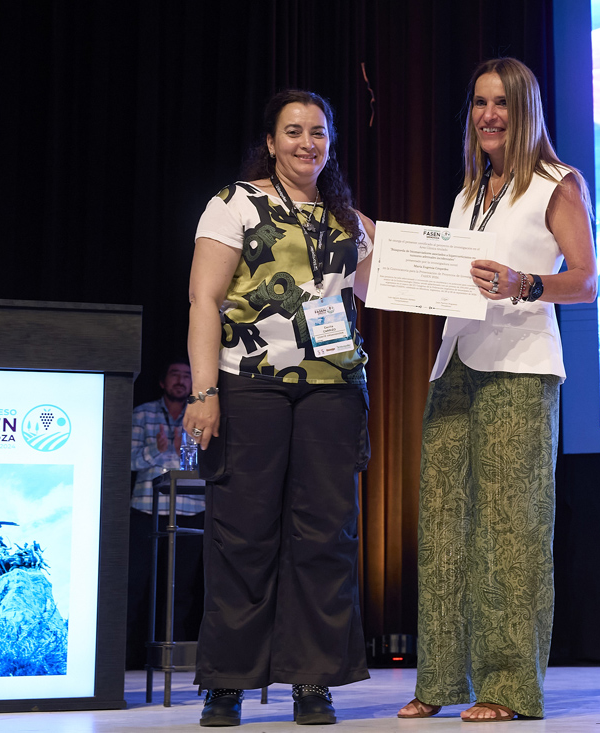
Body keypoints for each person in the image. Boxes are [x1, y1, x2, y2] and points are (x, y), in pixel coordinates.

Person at [397, 58, 597, 722]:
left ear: (526, 111)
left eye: (502, 103)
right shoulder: (468, 192)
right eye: (480, 103)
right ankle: (441, 678)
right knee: (444, 524)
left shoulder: (556, 183)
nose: (488, 115)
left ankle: (509, 685)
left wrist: (524, 283)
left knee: (511, 527)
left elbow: (586, 280)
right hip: (454, 362)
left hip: (521, 364)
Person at [184, 89, 375, 727]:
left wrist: (433, 261)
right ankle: (227, 683)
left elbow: (382, 291)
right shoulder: (234, 202)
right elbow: (204, 301)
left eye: (318, 132)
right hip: (250, 384)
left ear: (331, 143)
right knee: (243, 533)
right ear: (270, 142)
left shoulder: (349, 221)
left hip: (334, 389)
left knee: (326, 536)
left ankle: (313, 681)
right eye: (293, 131)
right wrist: (204, 392)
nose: (306, 143)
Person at [126, 359, 204, 670]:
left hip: (190, 510)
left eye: (187, 376)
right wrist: (156, 450)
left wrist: (183, 451)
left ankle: (174, 661)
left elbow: (204, 465)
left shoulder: (200, 415)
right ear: (162, 381)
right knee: (135, 585)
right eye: (175, 375)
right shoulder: (142, 413)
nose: (181, 381)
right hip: (147, 510)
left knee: (181, 589)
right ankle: (126, 660)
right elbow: (127, 461)